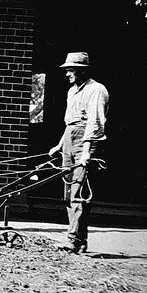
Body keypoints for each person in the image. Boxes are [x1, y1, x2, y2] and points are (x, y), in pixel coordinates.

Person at [48, 52, 109, 253]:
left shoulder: (96, 90)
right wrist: (59, 144)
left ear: (83, 70)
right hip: (69, 139)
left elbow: (95, 122)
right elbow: (70, 123)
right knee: (68, 191)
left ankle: (74, 240)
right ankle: (79, 240)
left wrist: (86, 152)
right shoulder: (72, 91)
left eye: (71, 70)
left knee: (79, 191)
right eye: (66, 70)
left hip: (86, 140)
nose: (67, 74)